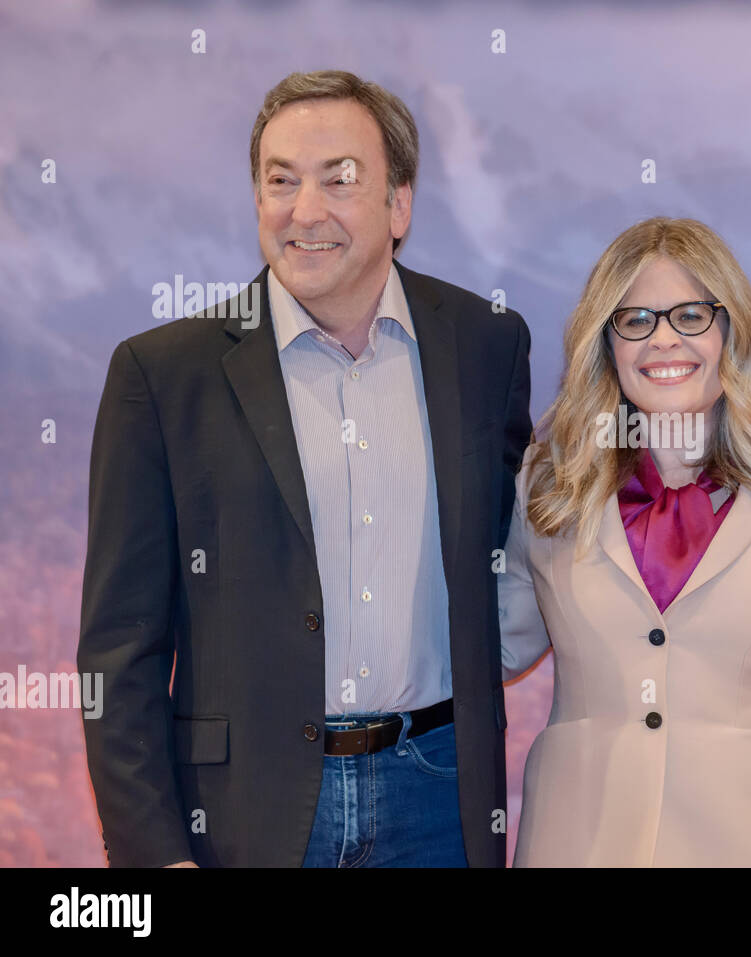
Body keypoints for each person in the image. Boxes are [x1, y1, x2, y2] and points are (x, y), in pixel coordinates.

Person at [77, 70, 531, 867]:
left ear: (400, 204)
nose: (304, 210)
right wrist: (156, 856)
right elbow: (119, 649)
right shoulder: (164, 374)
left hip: (438, 797)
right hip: (246, 810)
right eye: (280, 180)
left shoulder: (486, 344)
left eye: (340, 179)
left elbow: (512, 556)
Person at [499, 217, 751, 866]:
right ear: (606, 345)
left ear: (730, 329)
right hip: (581, 846)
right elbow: (486, 649)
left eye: (690, 315)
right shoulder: (543, 492)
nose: (663, 339)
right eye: (635, 320)